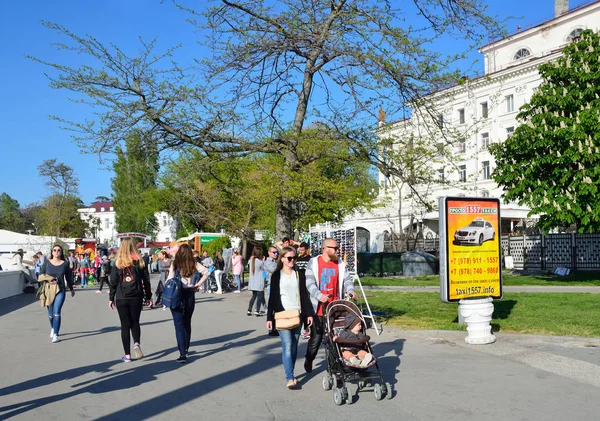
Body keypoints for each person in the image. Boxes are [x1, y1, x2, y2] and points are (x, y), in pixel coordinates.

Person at [303, 238, 357, 373]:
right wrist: (318, 295)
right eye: (335, 248)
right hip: (319, 308)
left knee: (335, 338)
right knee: (316, 338)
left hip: (335, 307)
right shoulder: (314, 262)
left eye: (337, 248)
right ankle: (309, 358)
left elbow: (347, 279)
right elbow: (309, 282)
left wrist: (350, 291)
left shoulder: (339, 263)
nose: (337, 250)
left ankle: (335, 369)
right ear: (325, 248)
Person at [266, 247, 315, 389]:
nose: (292, 260)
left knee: (294, 346)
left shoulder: (299, 274)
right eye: (289, 258)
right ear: (282, 259)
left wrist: (309, 314)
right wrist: (269, 318)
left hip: (297, 314)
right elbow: (272, 298)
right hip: (282, 315)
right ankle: (290, 378)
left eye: (294, 258)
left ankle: (291, 373)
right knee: (287, 346)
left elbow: (304, 296)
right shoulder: (276, 276)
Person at [108, 238, 153, 363]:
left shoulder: (118, 262)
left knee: (124, 325)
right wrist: (148, 296)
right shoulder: (139, 261)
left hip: (122, 296)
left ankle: (127, 355)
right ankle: (137, 344)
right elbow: (146, 281)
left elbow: (113, 282)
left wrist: (111, 298)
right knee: (135, 322)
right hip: (136, 296)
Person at [167, 244, 209, 363]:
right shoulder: (193, 263)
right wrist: (198, 284)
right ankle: (185, 348)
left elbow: (170, 278)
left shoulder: (175, 263)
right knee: (187, 322)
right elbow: (206, 272)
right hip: (190, 293)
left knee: (178, 325)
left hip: (176, 294)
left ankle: (182, 353)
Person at [40, 244, 75, 343]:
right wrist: (49, 280)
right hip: (48, 290)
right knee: (50, 313)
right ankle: (53, 327)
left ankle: (56, 334)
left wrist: (72, 289)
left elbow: (68, 277)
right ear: (52, 252)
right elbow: (41, 275)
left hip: (60, 290)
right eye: (54, 250)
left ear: (61, 252)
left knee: (57, 312)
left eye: (58, 250)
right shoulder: (47, 263)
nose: (56, 252)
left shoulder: (65, 264)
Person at [295, 242, 312, 340]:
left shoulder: (310, 259)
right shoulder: (297, 259)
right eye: (299, 250)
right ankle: (303, 328)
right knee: (301, 308)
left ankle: (308, 328)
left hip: (308, 286)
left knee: (308, 307)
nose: (300, 252)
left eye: (302, 250)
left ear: (306, 249)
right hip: (299, 286)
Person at [247, 247, 265, 316]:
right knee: (259, 297)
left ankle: (249, 310)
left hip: (253, 282)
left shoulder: (250, 261)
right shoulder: (260, 262)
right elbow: (264, 272)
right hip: (259, 282)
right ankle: (257, 311)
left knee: (253, 296)